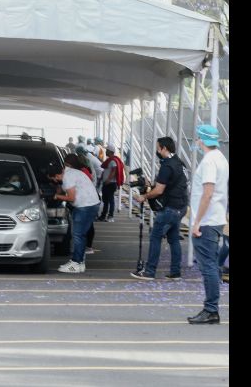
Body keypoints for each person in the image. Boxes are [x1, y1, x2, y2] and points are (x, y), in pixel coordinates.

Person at [130, 137, 190, 281]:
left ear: (164, 148)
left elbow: (159, 191)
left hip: (170, 208)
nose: (157, 151)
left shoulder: (167, 165)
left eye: (158, 148)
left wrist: (144, 196)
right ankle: (175, 272)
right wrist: (152, 185)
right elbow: (170, 184)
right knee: (173, 238)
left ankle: (149, 272)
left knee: (155, 237)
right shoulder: (179, 163)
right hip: (181, 207)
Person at [186, 125, 228, 325]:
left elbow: (208, 193)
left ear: (201, 140)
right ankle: (211, 308)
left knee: (208, 266)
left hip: (207, 221)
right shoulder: (221, 158)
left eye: (198, 138)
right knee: (212, 264)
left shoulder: (209, 161)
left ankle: (211, 309)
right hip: (216, 219)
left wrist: (196, 222)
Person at [48, 154, 101, 274]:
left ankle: (76, 262)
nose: (55, 182)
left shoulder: (67, 178)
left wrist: (56, 196)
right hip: (90, 204)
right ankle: (80, 262)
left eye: (54, 179)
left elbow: (71, 198)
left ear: (57, 175)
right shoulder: (70, 172)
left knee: (78, 235)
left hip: (85, 206)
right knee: (80, 235)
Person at [97, 144, 125, 223]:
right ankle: (103, 216)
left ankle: (110, 216)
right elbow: (105, 170)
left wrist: (108, 180)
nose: (105, 151)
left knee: (110, 200)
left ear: (110, 151)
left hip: (110, 183)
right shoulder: (109, 160)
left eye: (107, 150)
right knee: (106, 200)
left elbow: (114, 170)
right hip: (107, 183)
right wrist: (102, 178)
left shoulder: (113, 160)